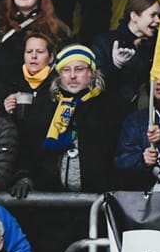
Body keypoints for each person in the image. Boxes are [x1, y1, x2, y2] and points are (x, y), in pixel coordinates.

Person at [14, 44, 120, 192]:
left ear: (92, 73)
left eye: (79, 69)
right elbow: (28, 147)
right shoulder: (45, 105)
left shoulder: (110, 106)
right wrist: (24, 176)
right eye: (66, 70)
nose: (72, 76)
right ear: (59, 75)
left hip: (97, 197)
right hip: (49, 197)